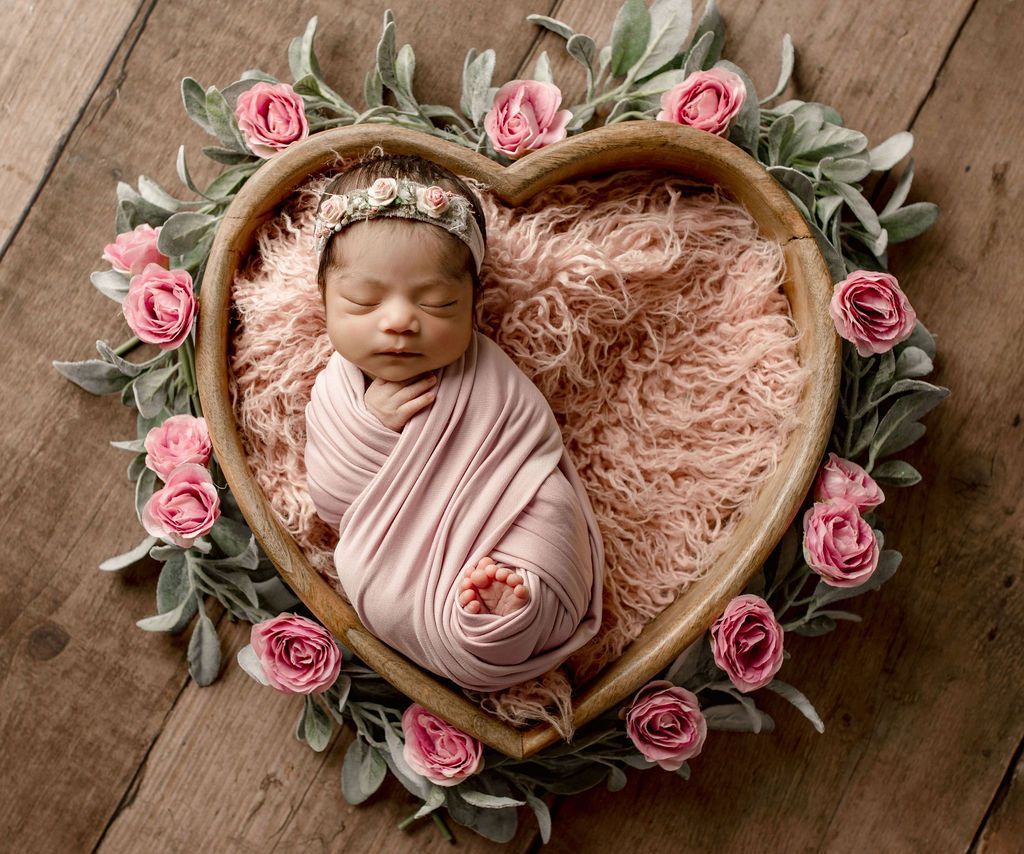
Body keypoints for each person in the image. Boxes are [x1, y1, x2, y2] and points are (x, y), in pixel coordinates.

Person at [303, 145, 604, 691]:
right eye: (364, 302)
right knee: (375, 580)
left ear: (472, 304)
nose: (398, 322)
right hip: (395, 561)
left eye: (438, 304)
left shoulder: (489, 377)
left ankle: (514, 607)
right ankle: (490, 615)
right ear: (323, 298)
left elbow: (526, 457)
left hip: (503, 518)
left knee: (551, 507)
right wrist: (369, 426)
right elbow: (332, 499)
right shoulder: (335, 393)